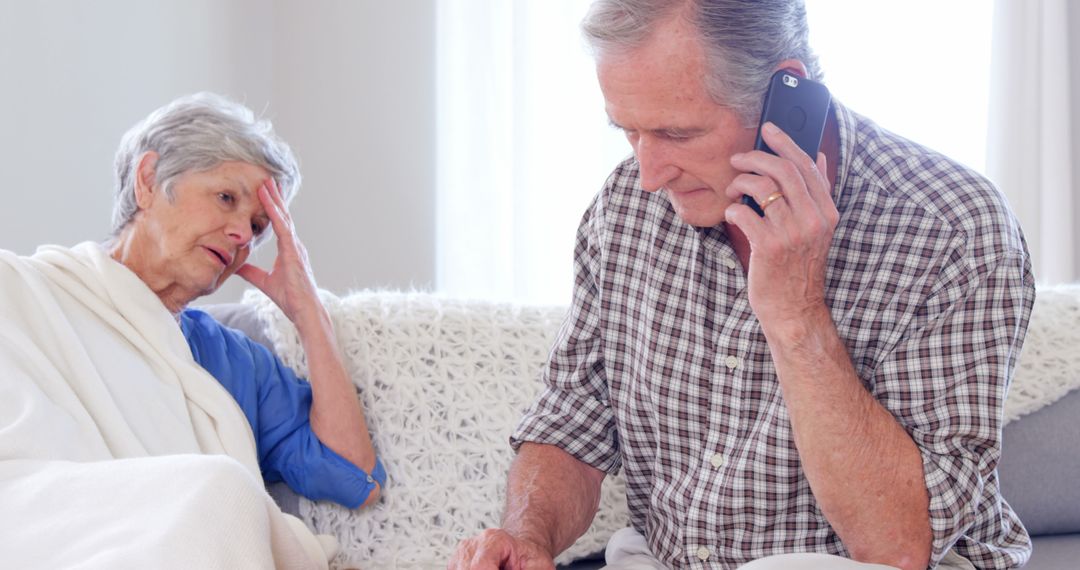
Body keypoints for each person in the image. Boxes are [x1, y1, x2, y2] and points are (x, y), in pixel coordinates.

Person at [450, 1, 1034, 569]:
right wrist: (527, 536)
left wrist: (796, 314)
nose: (648, 176)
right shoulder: (625, 204)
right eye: (628, 132)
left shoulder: (952, 229)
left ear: (787, 94)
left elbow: (901, 546)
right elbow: (573, 419)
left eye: (677, 134)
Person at [0, 92, 384, 569]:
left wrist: (309, 312)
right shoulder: (20, 291)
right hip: (42, 530)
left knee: (220, 493)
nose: (243, 233)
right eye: (226, 198)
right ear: (147, 181)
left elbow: (355, 476)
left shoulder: (230, 360)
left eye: (259, 226)